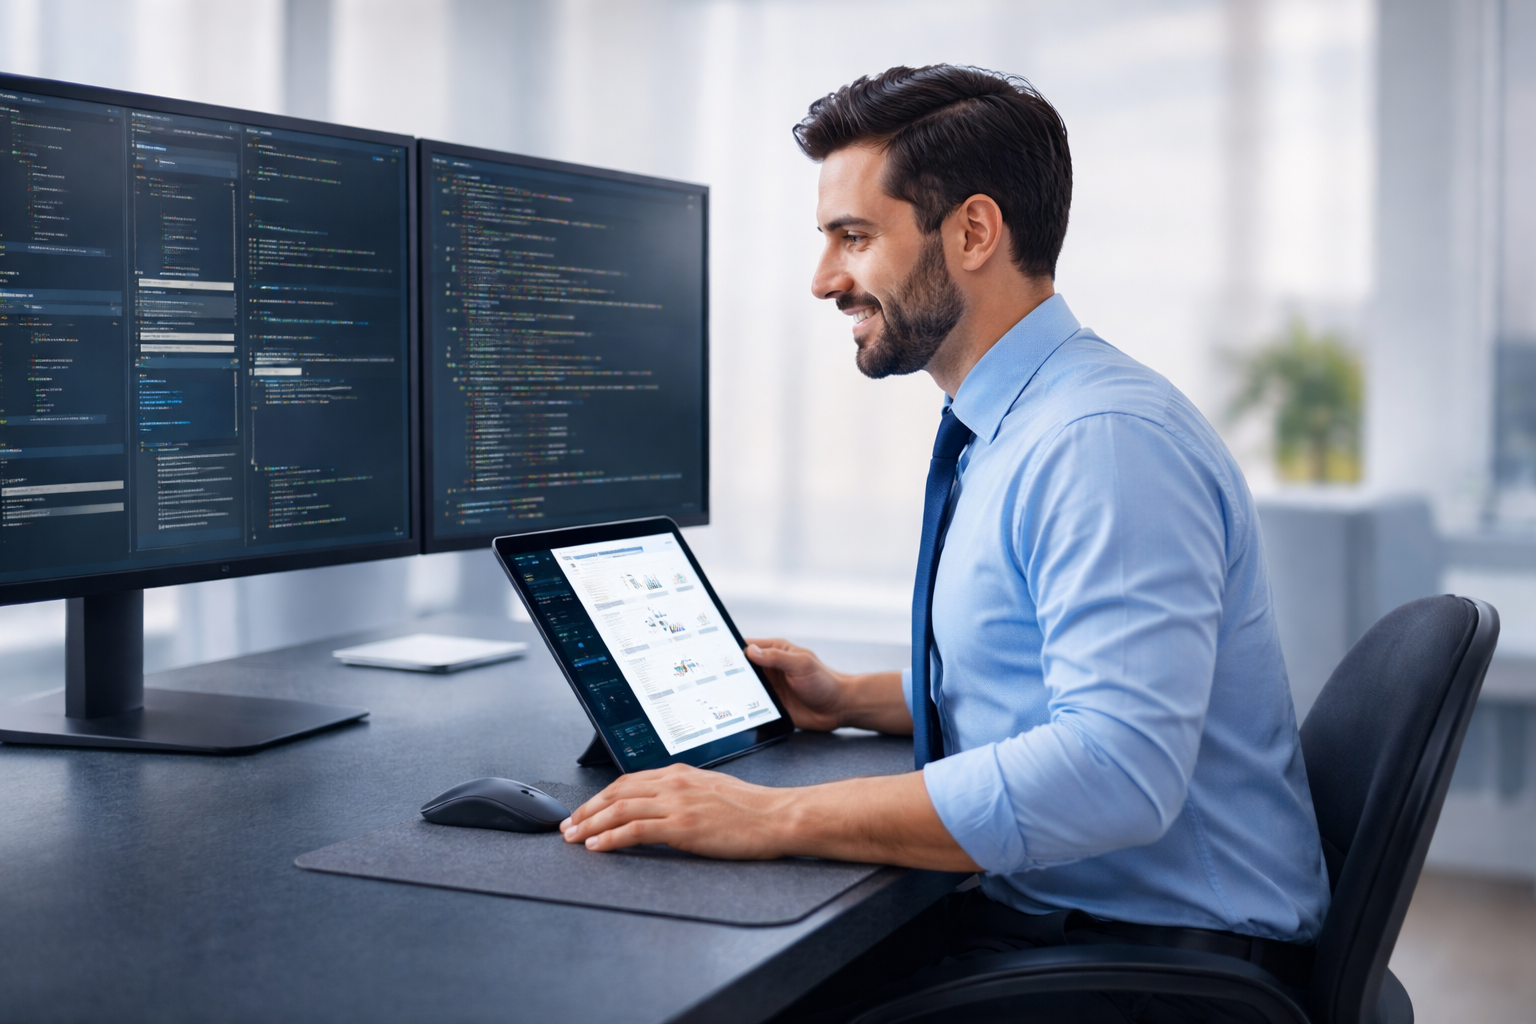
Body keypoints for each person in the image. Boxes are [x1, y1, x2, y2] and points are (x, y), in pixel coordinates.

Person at [558, 65, 1330, 1021]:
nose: (823, 279)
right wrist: (854, 698)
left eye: (854, 236)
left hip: (1161, 972)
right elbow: (1051, 676)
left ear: (972, 231)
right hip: (1083, 927)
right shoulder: (1023, 421)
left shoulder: (1102, 445)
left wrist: (771, 814)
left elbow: (1116, 771)